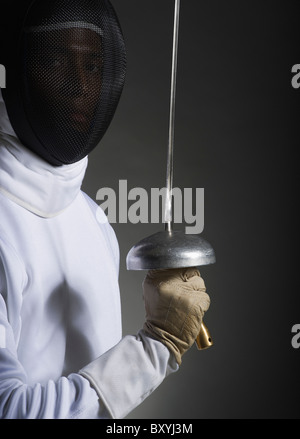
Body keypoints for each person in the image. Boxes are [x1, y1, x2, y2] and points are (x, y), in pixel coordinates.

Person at [0, 0, 211, 419]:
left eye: (94, 65)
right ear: (11, 70)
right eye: (56, 60)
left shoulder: (93, 219)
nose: (80, 86)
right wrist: (156, 346)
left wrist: (159, 341)